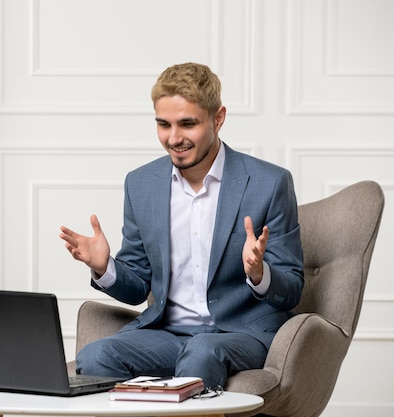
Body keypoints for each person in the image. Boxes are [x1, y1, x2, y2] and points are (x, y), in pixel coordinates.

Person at [59, 62, 304, 388]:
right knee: (95, 358)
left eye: (188, 124)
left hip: (241, 332)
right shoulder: (141, 184)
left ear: (218, 118)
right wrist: (105, 267)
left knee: (201, 352)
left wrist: (259, 274)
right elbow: (137, 289)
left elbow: (292, 291)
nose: (174, 138)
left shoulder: (269, 183)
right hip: (167, 334)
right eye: (164, 124)